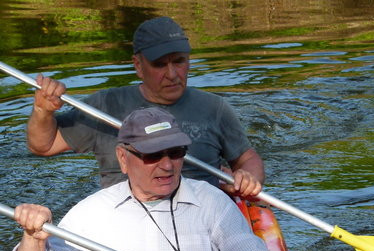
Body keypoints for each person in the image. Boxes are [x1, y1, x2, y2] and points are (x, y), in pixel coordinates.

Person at [6, 108, 280, 251]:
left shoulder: (211, 201)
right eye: (152, 155)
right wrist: (32, 237)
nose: (167, 165)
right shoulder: (88, 215)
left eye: (175, 152)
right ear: (123, 159)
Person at [27, 16, 264, 196]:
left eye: (179, 62)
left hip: (200, 214)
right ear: (138, 66)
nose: (172, 74)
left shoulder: (214, 107)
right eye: (160, 65)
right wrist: (43, 111)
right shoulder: (104, 105)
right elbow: (43, 146)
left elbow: (246, 158)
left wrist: (248, 179)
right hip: (126, 218)